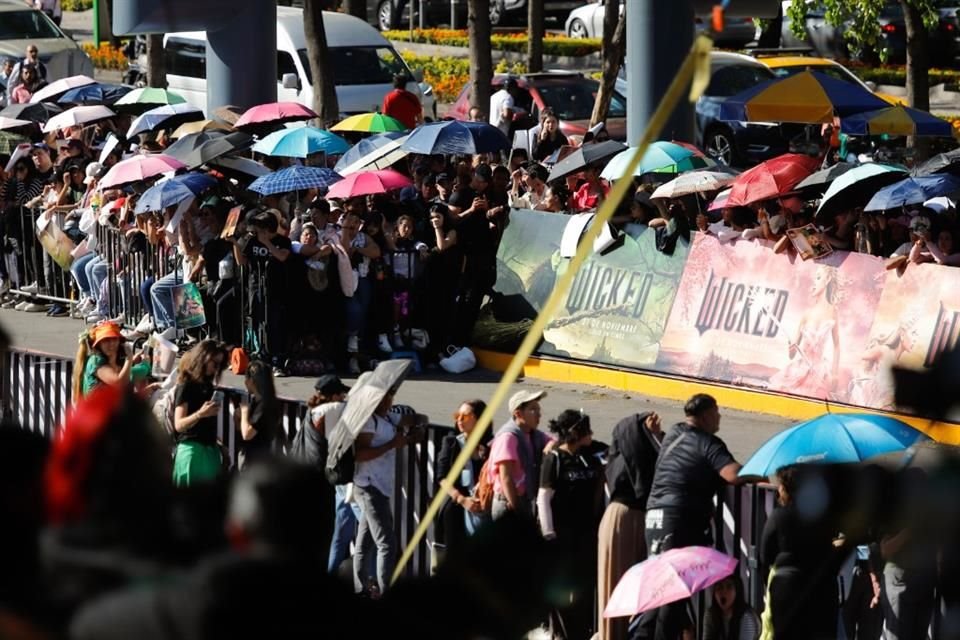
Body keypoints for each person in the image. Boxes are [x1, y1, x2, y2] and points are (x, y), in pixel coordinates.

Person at [638, 394, 748, 640]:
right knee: (672, 595)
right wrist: (759, 474)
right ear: (707, 415)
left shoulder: (676, 433)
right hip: (679, 521)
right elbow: (732, 474)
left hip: (655, 517)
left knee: (656, 590)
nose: (719, 416)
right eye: (717, 411)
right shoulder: (707, 441)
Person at [536, 409, 604, 640]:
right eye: (586, 429)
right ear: (575, 432)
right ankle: (563, 634)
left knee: (585, 587)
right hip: (563, 534)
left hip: (585, 534)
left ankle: (581, 632)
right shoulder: (554, 459)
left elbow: (611, 451)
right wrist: (549, 534)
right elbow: (544, 498)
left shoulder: (589, 454)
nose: (591, 434)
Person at [761, 464, 848, 640]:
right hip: (822, 589)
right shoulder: (823, 515)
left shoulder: (780, 516)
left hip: (788, 589)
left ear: (786, 488)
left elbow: (765, 555)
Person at [597, 411, 664, 640]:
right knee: (619, 589)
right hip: (624, 519)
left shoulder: (627, 452)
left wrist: (654, 435)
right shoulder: (628, 456)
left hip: (636, 519)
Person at [352, 385, 415, 596]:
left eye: (391, 397)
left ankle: (360, 588)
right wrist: (392, 444)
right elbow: (360, 453)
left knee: (366, 539)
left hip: (378, 485)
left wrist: (416, 425)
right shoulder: (369, 421)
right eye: (385, 398)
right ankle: (385, 592)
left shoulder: (387, 417)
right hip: (370, 485)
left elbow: (407, 420)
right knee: (386, 542)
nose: (389, 402)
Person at [767, 265, 841, 400]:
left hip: (818, 372)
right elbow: (792, 355)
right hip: (799, 370)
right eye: (815, 278)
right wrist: (791, 345)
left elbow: (837, 345)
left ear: (828, 279)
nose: (815, 282)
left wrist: (835, 373)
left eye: (819, 277)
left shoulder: (833, 311)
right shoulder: (806, 314)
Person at [488, 389, 553, 521]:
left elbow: (555, 440)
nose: (539, 414)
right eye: (533, 409)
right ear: (518, 413)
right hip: (509, 502)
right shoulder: (508, 437)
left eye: (538, 409)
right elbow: (506, 477)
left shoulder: (532, 434)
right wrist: (515, 507)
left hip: (525, 500)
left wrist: (551, 444)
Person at [436, 399, 490, 555]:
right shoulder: (452, 442)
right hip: (456, 508)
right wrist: (462, 500)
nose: (459, 420)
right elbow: (442, 477)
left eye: (465, 416)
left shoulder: (489, 445)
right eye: (457, 415)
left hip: (481, 508)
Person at [171, 340, 228, 487]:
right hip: (191, 452)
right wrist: (200, 414)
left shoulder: (208, 386)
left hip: (209, 450)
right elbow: (179, 424)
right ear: (203, 357)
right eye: (214, 363)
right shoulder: (186, 385)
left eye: (220, 365)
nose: (216, 369)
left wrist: (219, 444)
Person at [72, 321, 150, 397]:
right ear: (98, 344)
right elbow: (120, 383)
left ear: (120, 342)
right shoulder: (95, 361)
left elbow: (129, 374)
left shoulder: (115, 360)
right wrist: (131, 359)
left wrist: (133, 362)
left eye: (114, 339)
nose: (111, 343)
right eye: (106, 340)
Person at [236, 360, 281, 469]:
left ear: (251, 380)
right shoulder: (259, 402)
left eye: (246, 378)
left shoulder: (264, 406)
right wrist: (238, 418)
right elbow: (242, 430)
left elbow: (247, 434)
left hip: (257, 462)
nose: (245, 382)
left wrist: (244, 412)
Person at [702, 575, 761, 640]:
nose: (724, 592)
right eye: (719, 587)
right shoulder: (711, 615)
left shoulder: (746, 617)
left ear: (737, 591)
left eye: (729, 587)